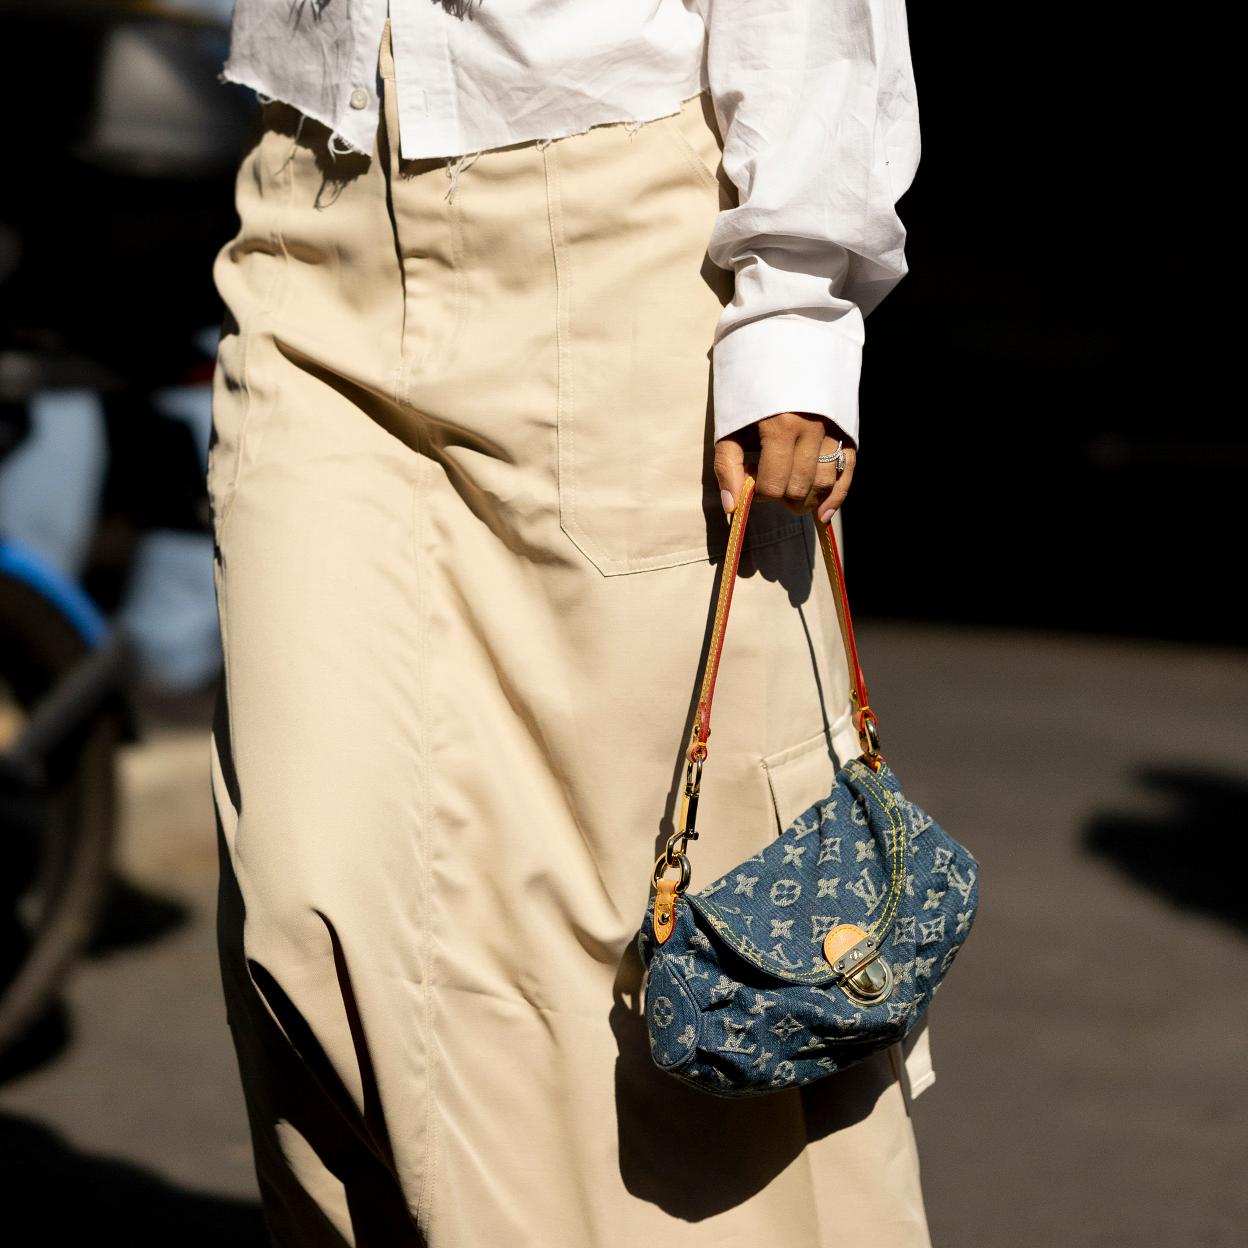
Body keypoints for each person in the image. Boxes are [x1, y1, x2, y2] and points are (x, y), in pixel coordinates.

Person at [206, 2, 929, 1244]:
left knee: (652, 948)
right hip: (311, 215)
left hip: (617, 236)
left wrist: (795, 301)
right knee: (308, 896)